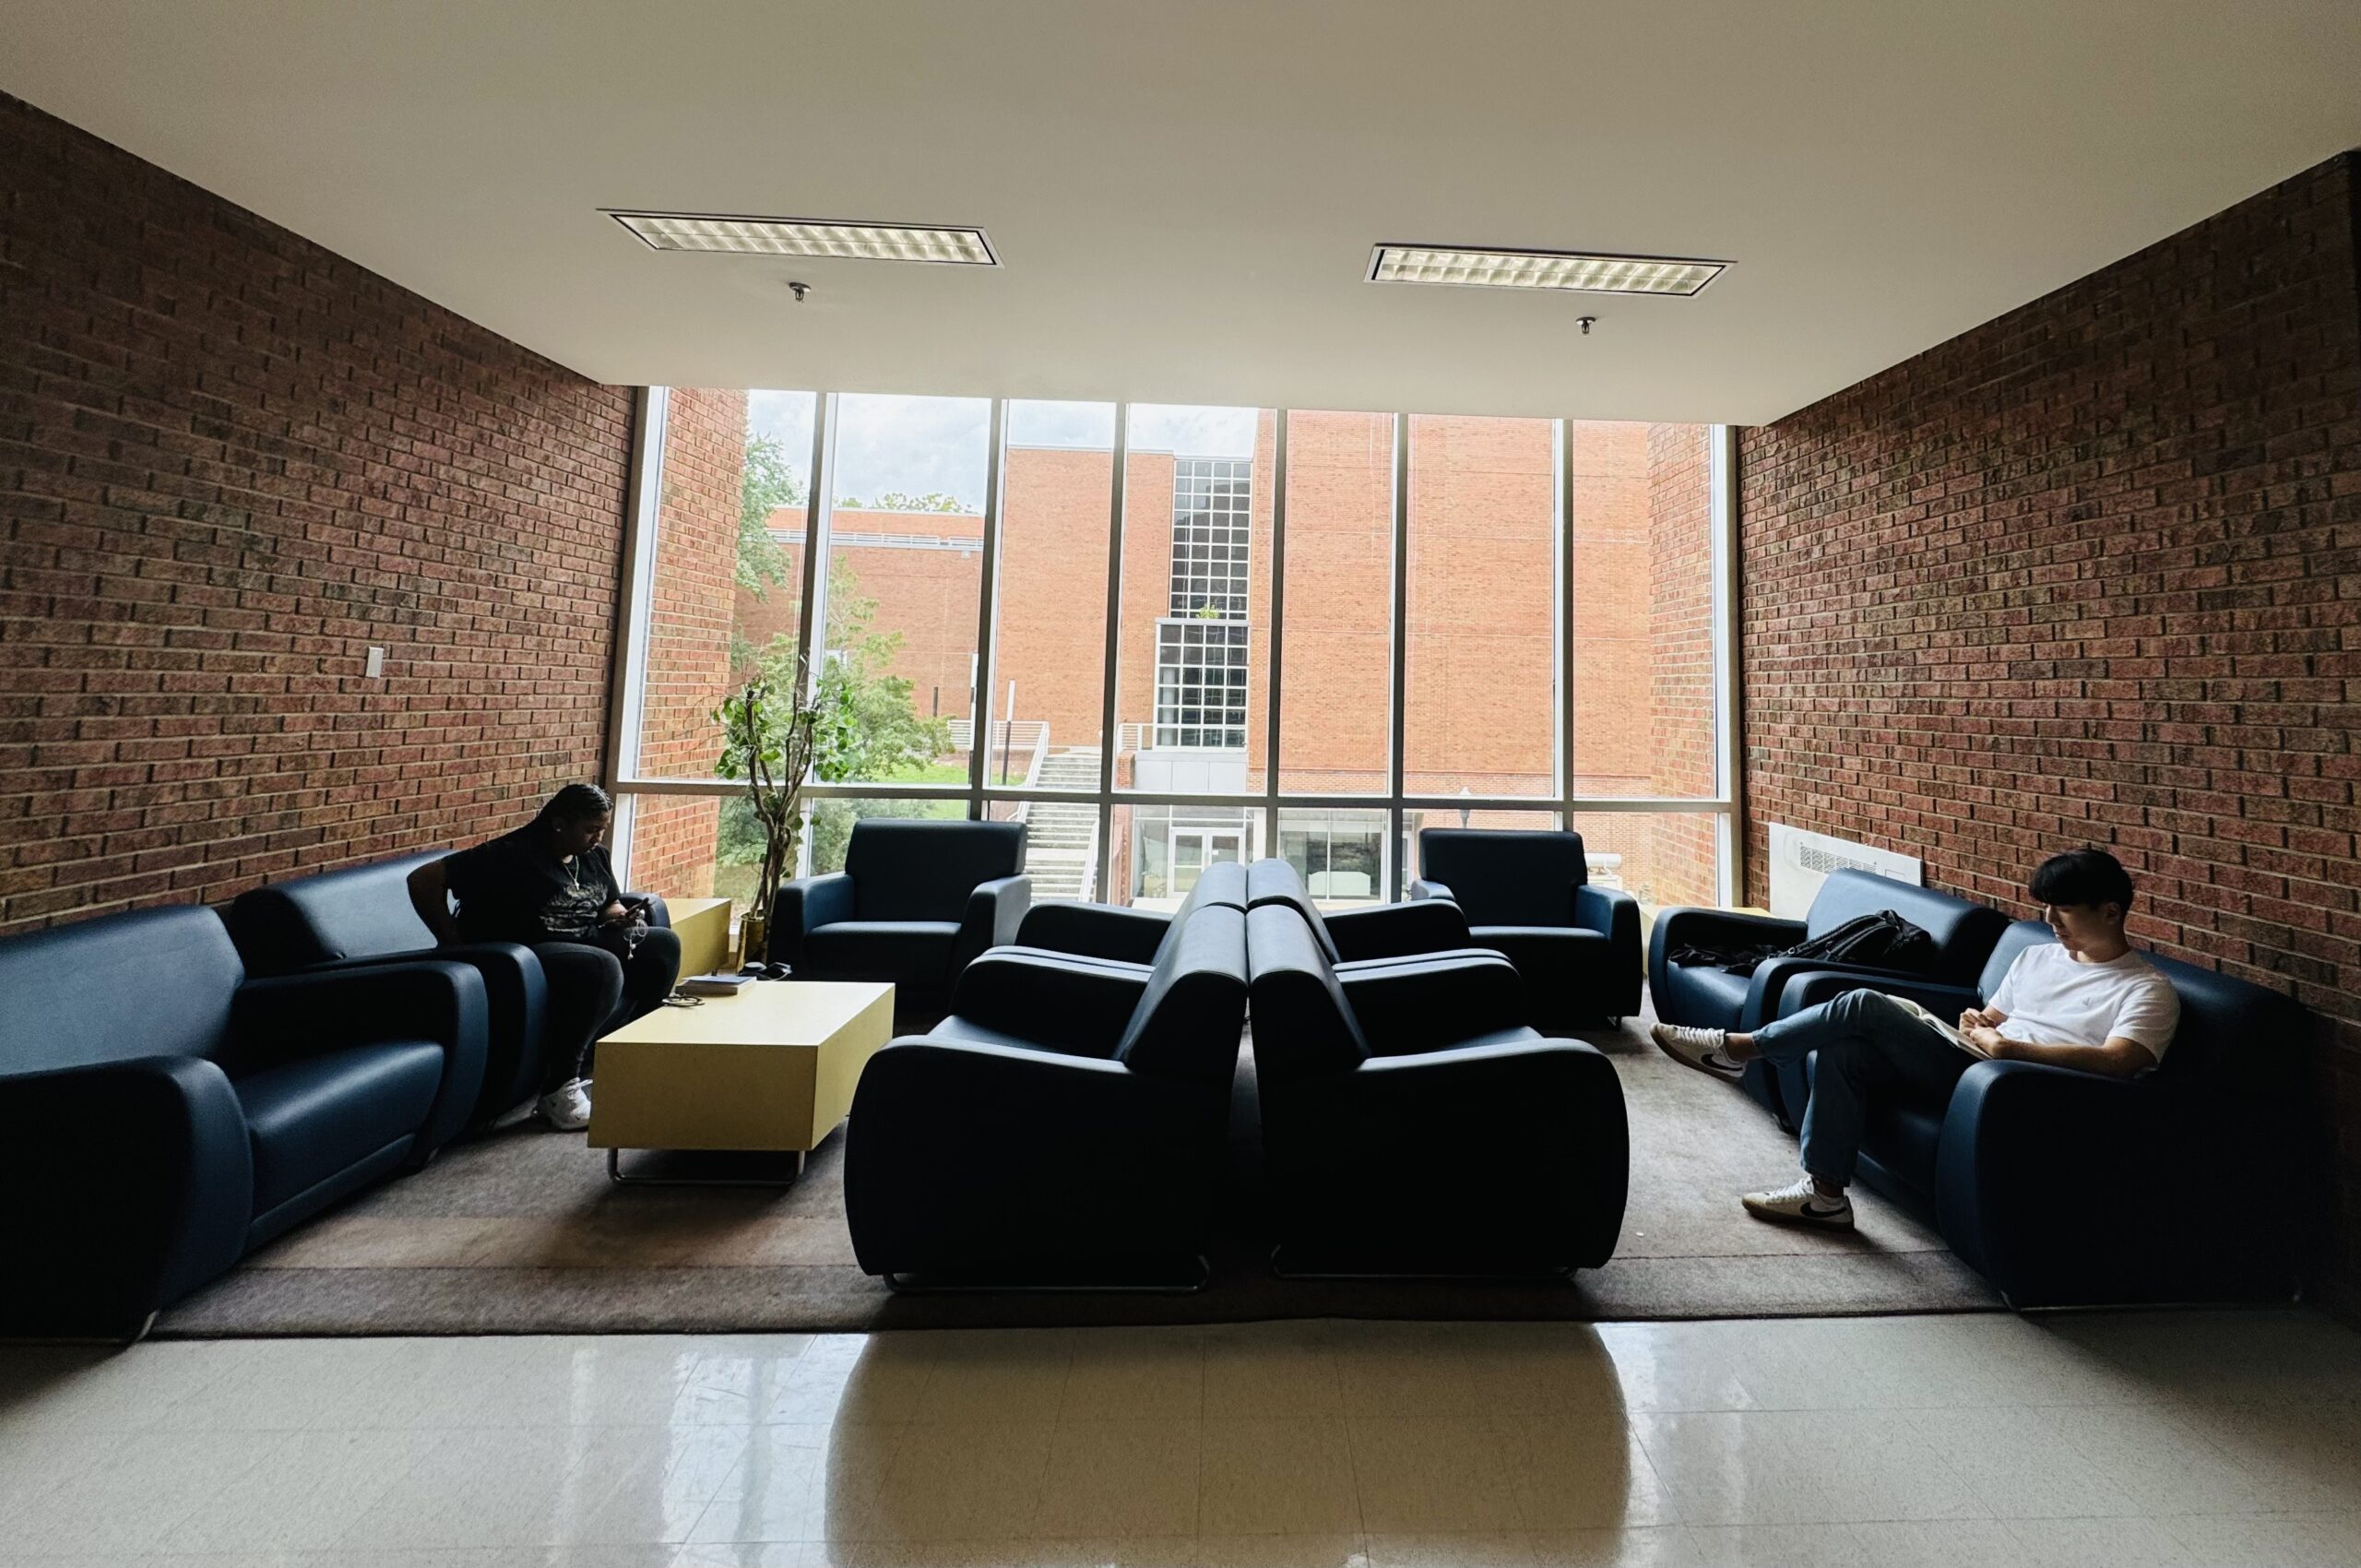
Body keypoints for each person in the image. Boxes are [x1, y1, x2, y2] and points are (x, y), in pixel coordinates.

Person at [1651, 849, 2179, 1230]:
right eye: (2046, 906)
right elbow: (1994, 1016)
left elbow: (2119, 1061)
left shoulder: (2146, 988)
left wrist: (2008, 1049)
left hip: (2017, 1086)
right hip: (1975, 1063)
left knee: (1861, 1003)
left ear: (2110, 911)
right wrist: (1978, 1022)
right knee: (1845, 1049)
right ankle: (1824, 1196)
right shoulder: (2038, 956)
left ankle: (1739, 1049)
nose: (2049, 920)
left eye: (2063, 909)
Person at [407, 783, 682, 1131]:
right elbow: (423, 879)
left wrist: (619, 916)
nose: (598, 838)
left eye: (602, 829)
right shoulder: (510, 854)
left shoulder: (593, 855)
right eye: (590, 829)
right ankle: (558, 1090)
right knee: (601, 967)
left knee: (663, 945)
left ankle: (623, 1053)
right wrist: (451, 941)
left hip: (584, 937)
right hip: (526, 951)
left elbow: (608, 902)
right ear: (559, 824)